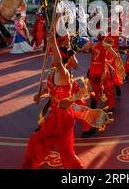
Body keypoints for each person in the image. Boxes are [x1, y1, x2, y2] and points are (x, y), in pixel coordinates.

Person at [23, 32, 84, 169]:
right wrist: (40, 95)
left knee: (40, 141)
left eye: (56, 56)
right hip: (57, 114)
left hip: (63, 117)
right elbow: (49, 89)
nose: (52, 58)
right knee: (64, 150)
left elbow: (58, 61)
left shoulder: (64, 73)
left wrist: (52, 42)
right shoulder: (53, 72)